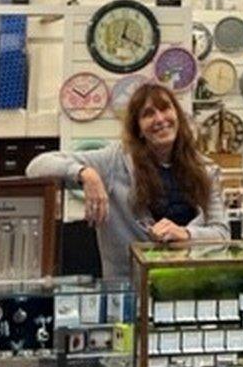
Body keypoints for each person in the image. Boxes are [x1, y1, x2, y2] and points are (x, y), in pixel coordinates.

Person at [26, 83, 229, 279]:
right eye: (148, 114)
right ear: (138, 128)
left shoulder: (205, 170)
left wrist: (186, 234)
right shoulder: (114, 162)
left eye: (165, 108)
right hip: (132, 292)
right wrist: (86, 174)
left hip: (190, 286)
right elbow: (36, 167)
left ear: (177, 115)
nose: (160, 119)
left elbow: (222, 234)